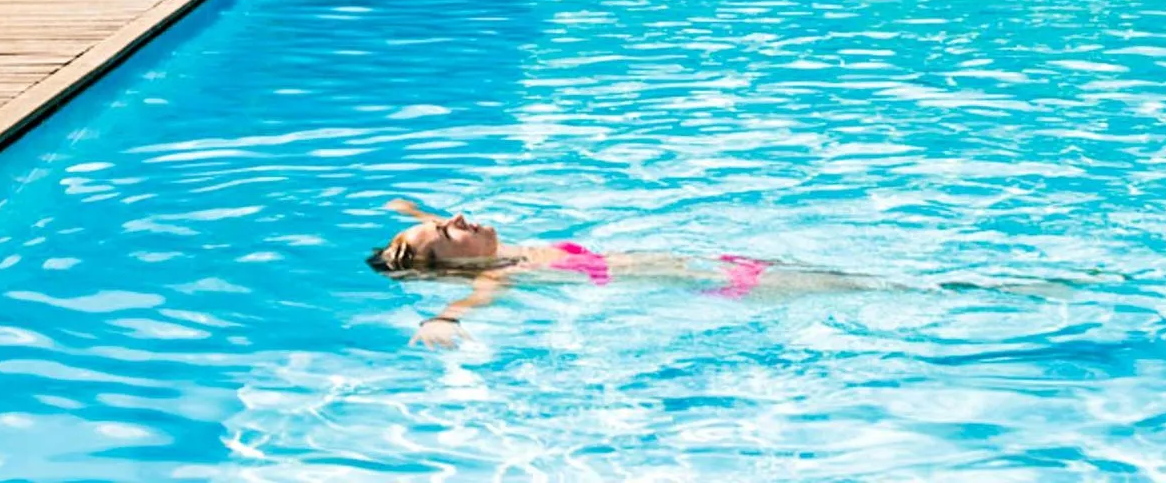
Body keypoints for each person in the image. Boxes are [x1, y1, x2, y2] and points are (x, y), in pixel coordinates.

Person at [369, 199, 891, 348]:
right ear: (455, 266)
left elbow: (437, 236)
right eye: (447, 231)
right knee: (877, 289)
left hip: (716, 269)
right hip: (721, 284)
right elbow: (476, 297)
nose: (458, 217)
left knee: (862, 283)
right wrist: (444, 318)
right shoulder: (498, 270)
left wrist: (416, 215)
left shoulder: (492, 250)